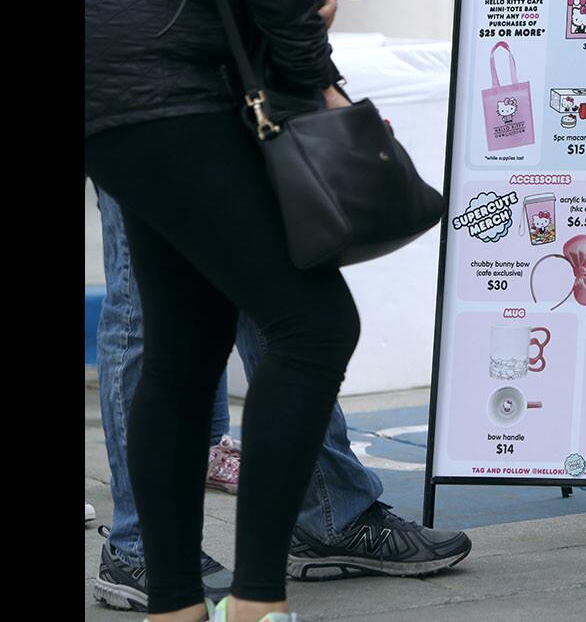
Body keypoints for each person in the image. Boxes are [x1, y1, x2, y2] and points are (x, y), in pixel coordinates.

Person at [84, 0, 452, 620]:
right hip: (172, 76)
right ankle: (257, 604)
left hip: (121, 79)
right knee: (313, 325)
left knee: (185, 347)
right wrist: (318, 75)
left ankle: (177, 607)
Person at [92, 186, 470, 613]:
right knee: (147, 307)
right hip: (140, 125)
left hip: (227, 124)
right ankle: (145, 550)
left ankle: (327, 518)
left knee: (280, 306)